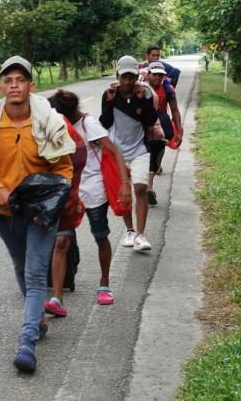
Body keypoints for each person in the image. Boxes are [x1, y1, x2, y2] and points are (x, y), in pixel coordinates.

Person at [0, 56, 75, 373]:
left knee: (36, 273)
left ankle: (27, 342)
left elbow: (64, 168)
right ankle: (37, 319)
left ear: (31, 86)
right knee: (20, 264)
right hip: (4, 211)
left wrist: (48, 208)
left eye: (21, 80)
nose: (15, 85)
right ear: (1, 87)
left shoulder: (50, 122)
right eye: (9, 80)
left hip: (42, 213)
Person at [48, 90, 131, 308]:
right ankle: (57, 297)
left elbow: (115, 153)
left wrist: (124, 183)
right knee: (61, 241)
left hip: (93, 190)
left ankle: (104, 284)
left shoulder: (88, 125)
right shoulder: (55, 126)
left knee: (100, 236)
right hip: (68, 191)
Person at [100, 56, 157, 252]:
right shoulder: (110, 94)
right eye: (124, 77)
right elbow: (105, 123)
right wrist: (108, 104)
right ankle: (130, 231)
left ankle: (140, 236)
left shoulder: (146, 93)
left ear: (136, 77)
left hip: (140, 148)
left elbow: (150, 120)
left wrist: (142, 101)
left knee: (140, 188)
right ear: (118, 76)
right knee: (123, 194)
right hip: (118, 152)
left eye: (131, 77)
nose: (127, 82)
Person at [44, 91, 87, 318]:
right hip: (39, 197)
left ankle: (56, 297)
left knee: (61, 241)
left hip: (64, 196)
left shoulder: (75, 139)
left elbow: (75, 172)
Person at [145, 61, 183, 206]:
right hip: (143, 125)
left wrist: (178, 131)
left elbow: (174, 110)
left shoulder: (168, 89)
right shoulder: (140, 88)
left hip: (161, 125)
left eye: (160, 75)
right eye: (154, 74)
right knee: (148, 155)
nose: (157, 78)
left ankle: (149, 186)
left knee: (155, 156)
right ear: (148, 75)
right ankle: (148, 186)